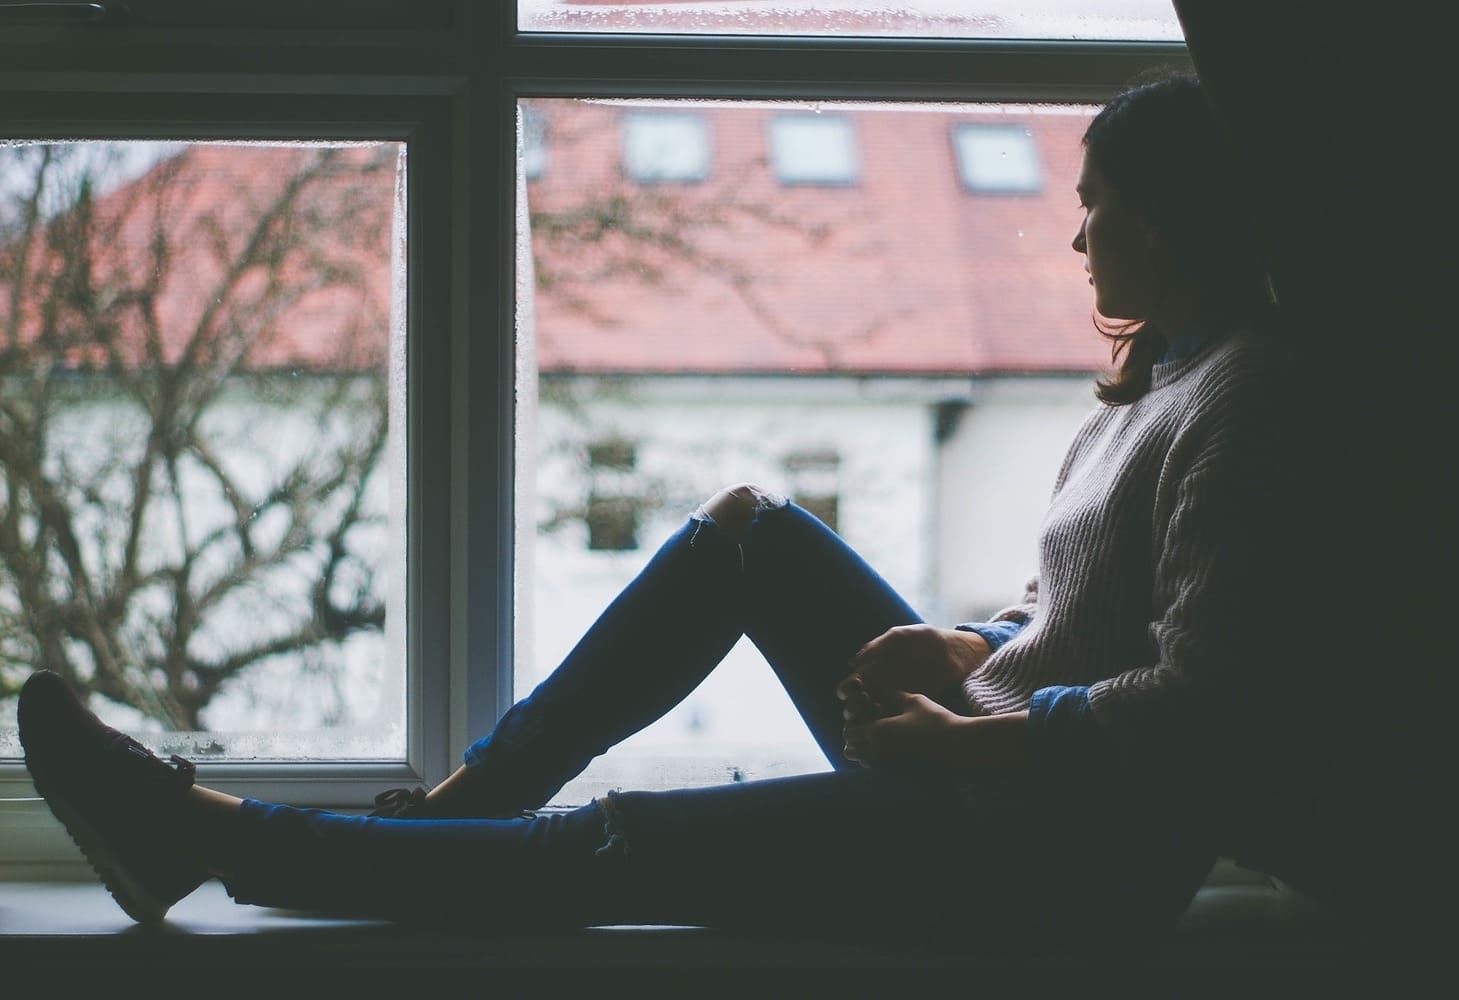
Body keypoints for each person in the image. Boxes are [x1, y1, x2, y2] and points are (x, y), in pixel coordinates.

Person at [17, 70, 1299, 953]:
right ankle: (440, 824)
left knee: (618, 846)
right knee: (745, 529)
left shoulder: (1246, 398)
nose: (1080, 244)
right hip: (994, 776)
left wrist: (965, 743)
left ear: (1170, 216)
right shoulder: (1162, 378)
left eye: (1097, 209)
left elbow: (1213, 708)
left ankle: (200, 836)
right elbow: (1077, 604)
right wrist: (966, 647)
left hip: (1055, 868)